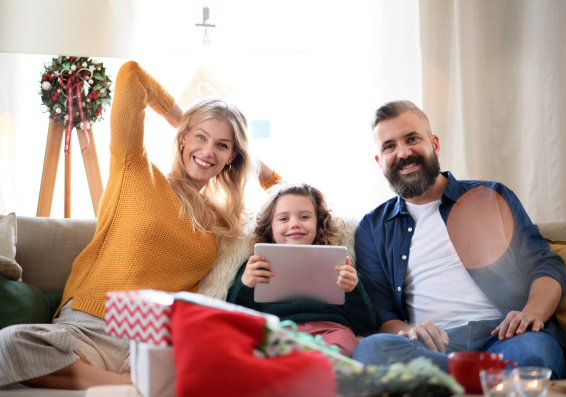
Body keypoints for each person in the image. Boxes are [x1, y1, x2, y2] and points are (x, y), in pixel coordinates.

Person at [0, 61, 280, 390]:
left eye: (222, 145)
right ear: (183, 139)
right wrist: (186, 121)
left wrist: (251, 163)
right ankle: (128, 385)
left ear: (233, 156)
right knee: (9, 343)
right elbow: (132, 76)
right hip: (91, 325)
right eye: (200, 138)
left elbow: (286, 197)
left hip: (155, 340)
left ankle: (130, 384)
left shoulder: (222, 221)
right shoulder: (136, 169)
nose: (207, 151)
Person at [351, 100, 566, 379]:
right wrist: (408, 331)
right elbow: (380, 310)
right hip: (432, 347)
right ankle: (489, 378)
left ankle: (459, 379)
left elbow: (545, 264)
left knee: (533, 356)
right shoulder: (372, 227)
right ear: (379, 160)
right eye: (389, 146)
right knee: (371, 352)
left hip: (507, 336)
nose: (403, 153)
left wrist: (534, 312)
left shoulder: (491, 196)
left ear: (435, 144)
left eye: (412, 138)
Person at [227, 183, 381, 357]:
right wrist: (245, 285)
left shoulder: (338, 264)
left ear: (318, 222)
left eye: (304, 217)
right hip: (278, 331)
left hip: (331, 331)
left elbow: (368, 326)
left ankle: (316, 370)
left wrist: (353, 288)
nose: (294, 224)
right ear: (270, 228)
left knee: (338, 352)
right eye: (284, 219)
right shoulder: (256, 264)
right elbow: (233, 319)